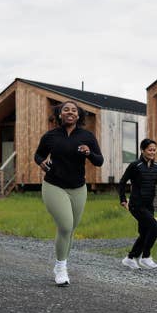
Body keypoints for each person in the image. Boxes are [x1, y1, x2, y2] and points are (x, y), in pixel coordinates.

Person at [34, 100, 103, 286]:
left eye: (73, 110)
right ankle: (61, 267)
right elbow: (38, 155)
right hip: (54, 185)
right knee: (65, 226)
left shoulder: (87, 136)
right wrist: (41, 162)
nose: (70, 112)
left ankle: (61, 263)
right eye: (66, 110)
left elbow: (99, 161)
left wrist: (89, 153)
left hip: (79, 188)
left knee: (70, 230)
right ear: (60, 114)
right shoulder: (51, 136)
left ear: (78, 115)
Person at [118, 138, 157, 270]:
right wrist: (123, 200)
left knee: (145, 232)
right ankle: (146, 256)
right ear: (143, 150)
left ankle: (130, 258)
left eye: (154, 150)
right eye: (150, 150)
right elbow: (122, 182)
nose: (152, 152)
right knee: (155, 227)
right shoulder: (135, 165)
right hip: (136, 205)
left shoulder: (156, 166)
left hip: (149, 205)